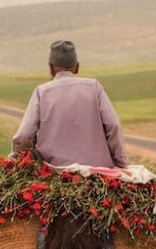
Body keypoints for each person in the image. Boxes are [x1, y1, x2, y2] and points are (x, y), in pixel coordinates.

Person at [11, 40, 127, 168]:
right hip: (98, 170)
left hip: (54, 172)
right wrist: (120, 163)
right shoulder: (94, 87)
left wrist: (15, 160)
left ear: (50, 68)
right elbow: (113, 125)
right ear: (77, 67)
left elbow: (24, 135)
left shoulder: (42, 92)